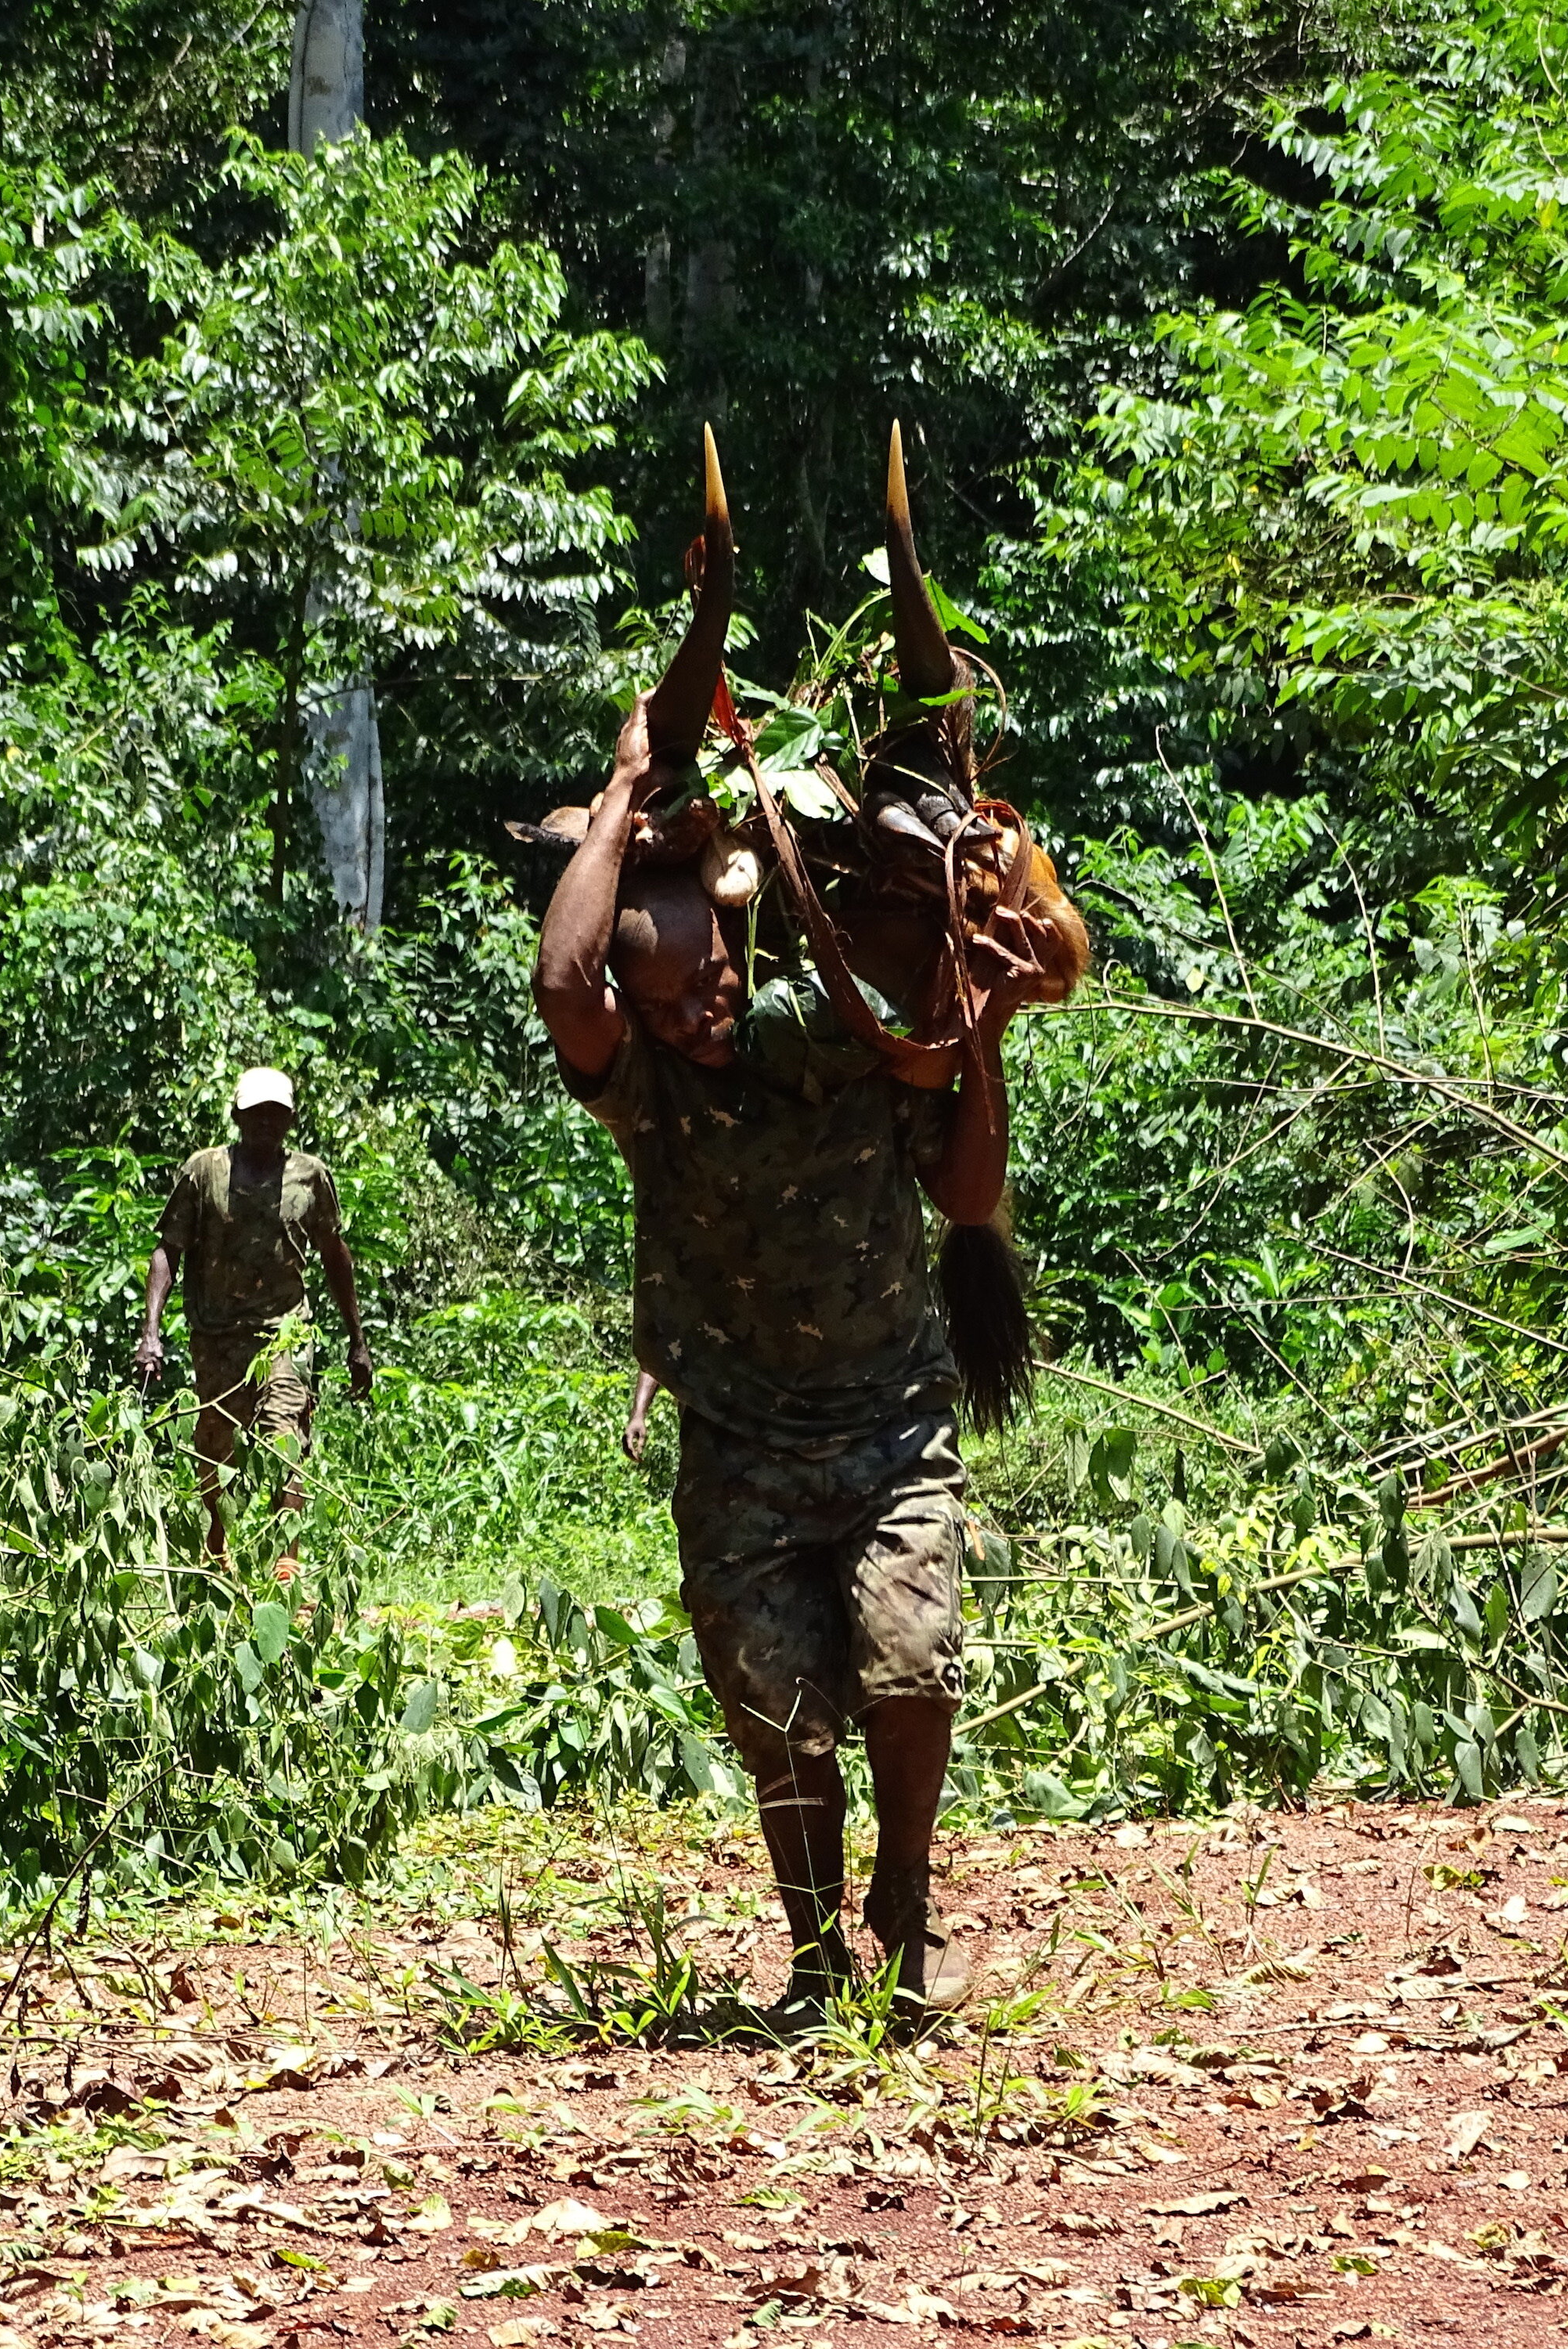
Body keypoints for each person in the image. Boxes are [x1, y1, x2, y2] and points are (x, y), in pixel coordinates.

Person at [536, 681, 1050, 2023]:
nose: (698, 1005)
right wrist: (618, 804)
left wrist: (977, 1030)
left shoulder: (838, 1043)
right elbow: (559, 979)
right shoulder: (645, 1097)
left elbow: (967, 1191)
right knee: (781, 1722)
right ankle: (816, 1955)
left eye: (712, 973)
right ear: (636, 1019)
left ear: (744, 951)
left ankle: (910, 1889)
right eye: (667, 997)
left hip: (890, 1423)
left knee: (912, 1668)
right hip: (743, 1445)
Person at [135, 1067, 373, 1561]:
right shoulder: (204, 1172)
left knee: (285, 1440)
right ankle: (216, 1561)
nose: (266, 1123)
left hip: (285, 1334)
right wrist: (151, 1334)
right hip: (217, 1337)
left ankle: (287, 1567)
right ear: (237, 1116)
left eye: (277, 1115)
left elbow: (334, 1254)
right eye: (256, 1113)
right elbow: (167, 1251)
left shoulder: (309, 1177)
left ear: (290, 1120)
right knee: (215, 1450)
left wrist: (357, 1338)